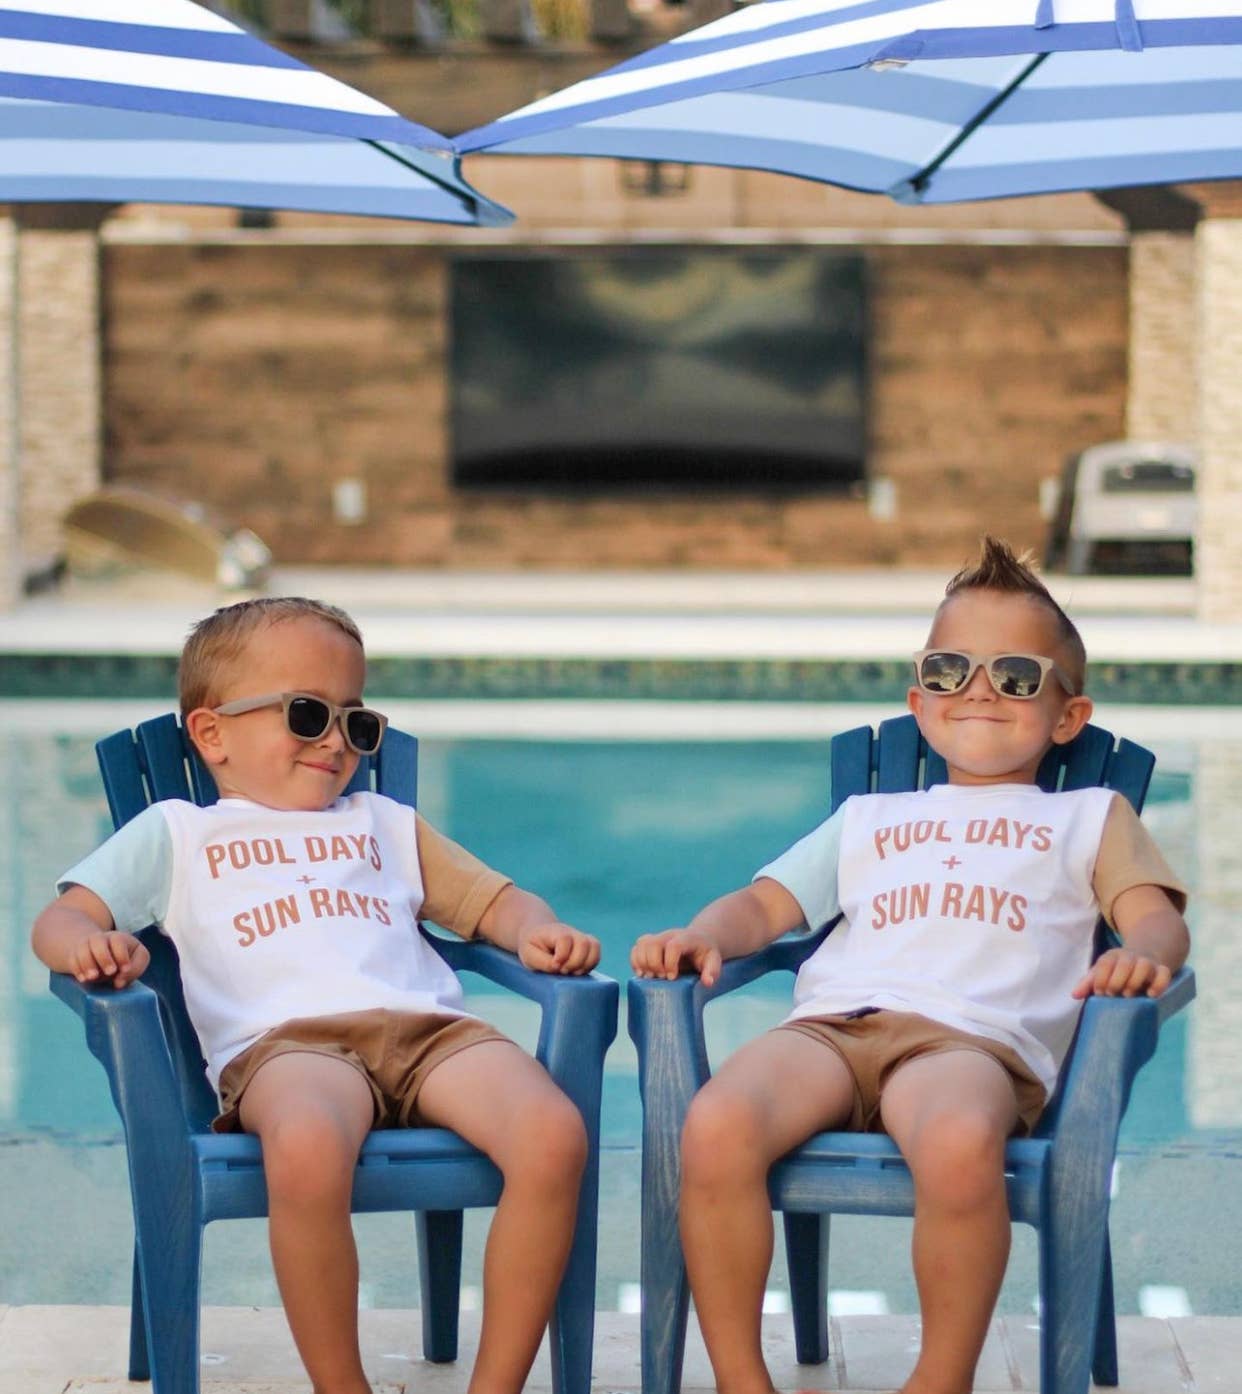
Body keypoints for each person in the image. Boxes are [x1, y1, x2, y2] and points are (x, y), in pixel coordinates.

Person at [631, 537, 1189, 1394]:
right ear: (918, 701)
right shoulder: (868, 815)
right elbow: (768, 905)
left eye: (1013, 676)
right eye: (948, 670)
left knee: (963, 1143)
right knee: (715, 1124)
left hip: (970, 1044)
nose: (975, 690)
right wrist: (706, 934)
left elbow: (1152, 916)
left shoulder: (1088, 815)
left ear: (1069, 717)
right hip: (831, 1028)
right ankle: (743, 1379)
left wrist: (1143, 957)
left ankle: (938, 1379)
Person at [32, 596, 600, 1394]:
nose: (336, 741)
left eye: (356, 723)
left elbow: (495, 902)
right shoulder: (179, 834)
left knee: (554, 1135)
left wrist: (537, 930)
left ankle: (495, 1386)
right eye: (307, 715)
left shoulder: (383, 821)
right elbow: (63, 916)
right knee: (305, 1147)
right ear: (211, 733)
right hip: (290, 1046)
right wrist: (88, 945)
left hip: (430, 1034)